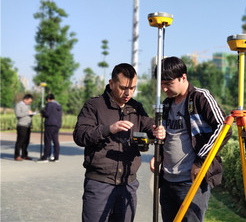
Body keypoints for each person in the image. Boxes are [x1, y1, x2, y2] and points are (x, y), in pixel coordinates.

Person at [73, 63, 165, 222]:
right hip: (99, 184)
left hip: (128, 184)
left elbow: (149, 125)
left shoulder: (135, 107)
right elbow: (80, 135)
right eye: (123, 87)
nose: (128, 93)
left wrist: (157, 130)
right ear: (111, 83)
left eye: (133, 88)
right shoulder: (94, 105)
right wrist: (109, 129)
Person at [150, 56, 232, 222]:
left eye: (168, 83)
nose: (164, 89)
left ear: (183, 77)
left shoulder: (200, 98)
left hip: (191, 182)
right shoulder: (166, 105)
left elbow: (224, 128)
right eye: (161, 85)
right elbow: (167, 137)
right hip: (167, 181)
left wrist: (200, 161)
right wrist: (157, 154)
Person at [38, 93, 62, 163]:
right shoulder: (58, 105)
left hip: (49, 124)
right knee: (55, 141)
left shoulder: (49, 104)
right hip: (57, 125)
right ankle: (56, 157)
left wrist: (43, 112)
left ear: (48, 99)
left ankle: (45, 157)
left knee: (47, 141)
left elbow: (47, 114)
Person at [14, 94, 34, 161]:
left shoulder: (28, 106)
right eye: (29, 101)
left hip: (28, 125)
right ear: (25, 99)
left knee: (26, 141)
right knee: (20, 141)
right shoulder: (18, 105)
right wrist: (27, 113)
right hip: (22, 125)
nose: (29, 103)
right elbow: (18, 114)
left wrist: (32, 114)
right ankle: (17, 155)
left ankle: (24, 155)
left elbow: (27, 114)